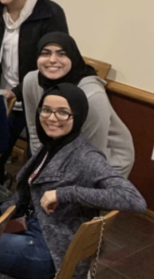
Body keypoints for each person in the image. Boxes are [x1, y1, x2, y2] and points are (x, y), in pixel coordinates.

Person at [0, 84, 145, 279]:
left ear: (78, 115)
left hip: (49, 250)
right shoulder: (53, 144)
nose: (52, 118)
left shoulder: (86, 156)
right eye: (46, 110)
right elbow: (25, 195)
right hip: (28, 228)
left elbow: (134, 200)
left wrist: (65, 193)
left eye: (63, 112)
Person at [0, 0, 69, 183]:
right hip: (6, 98)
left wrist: (17, 91)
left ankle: (29, 207)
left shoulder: (49, 12)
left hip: (40, 96)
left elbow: (52, 64)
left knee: (37, 157)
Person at [23, 32, 134, 178]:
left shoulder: (92, 96)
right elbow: (34, 129)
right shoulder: (31, 81)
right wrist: (42, 167)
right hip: (61, 148)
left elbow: (92, 151)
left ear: (73, 57)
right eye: (45, 53)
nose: (52, 60)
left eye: (62, 54)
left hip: (106, 158)